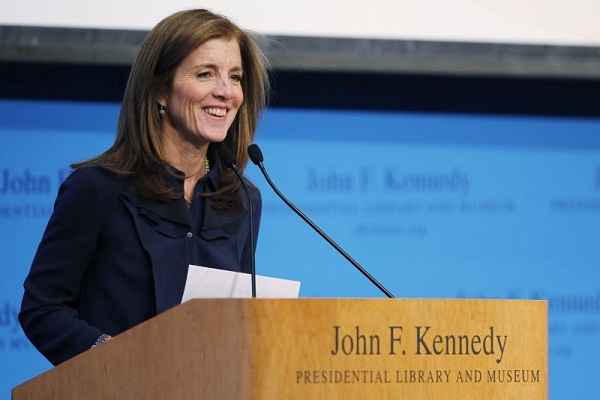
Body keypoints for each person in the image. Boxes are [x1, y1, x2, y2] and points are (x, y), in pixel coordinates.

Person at [19, 9, 269, 366]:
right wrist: (118, 358)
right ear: (159, 91)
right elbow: (42, 309)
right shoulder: (98, 188)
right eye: (205, 74)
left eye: (235, 77)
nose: (225, 92)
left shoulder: (242, 200)